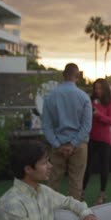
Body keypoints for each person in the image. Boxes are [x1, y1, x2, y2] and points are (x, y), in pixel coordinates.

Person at [0, 141, 99, 220]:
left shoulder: (43, 191)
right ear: (28, 169)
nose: (50, 166)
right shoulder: (11, 206)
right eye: (44, 163)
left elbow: (68, 202)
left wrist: (87, 214)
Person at [42, 63, 92, 200]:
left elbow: (46, 126)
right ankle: (73, 218)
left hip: (57, 145)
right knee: (76, 184)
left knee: (53, 183)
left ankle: (52, 216)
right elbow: (86, 126)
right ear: (78, 76)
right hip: (79, 146)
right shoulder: (84, 97)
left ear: (63, 75)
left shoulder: (50, 97)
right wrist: (73, 144)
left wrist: (57, 144)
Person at [82, 78, 111, 205]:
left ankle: (102, 193)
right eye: (95, 88)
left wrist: (97, 114)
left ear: (105, 89)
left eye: (100, 88)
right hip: (91, 138)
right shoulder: (90, 101)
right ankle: (81, 191)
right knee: (87, 166)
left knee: (104, 167)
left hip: (105, 139)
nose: (97, 90)